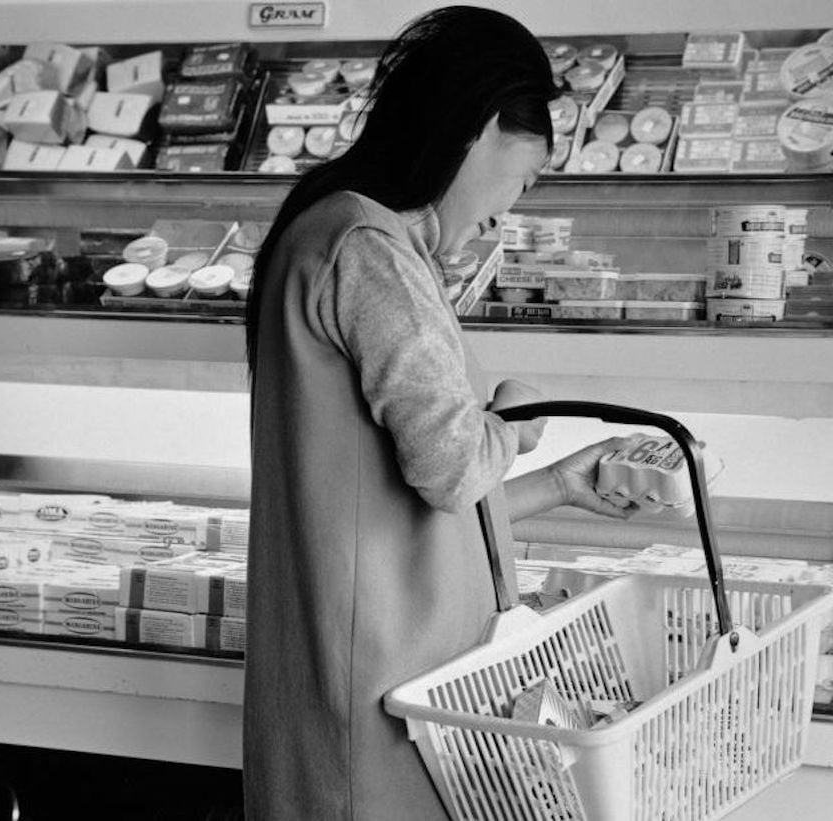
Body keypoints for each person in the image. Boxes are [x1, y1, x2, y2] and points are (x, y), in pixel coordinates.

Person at [244, 7, 636, 819]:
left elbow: (398, 515)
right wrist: (517, 424)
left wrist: (559, 481)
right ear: (487, 125)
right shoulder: (370, 250)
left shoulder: (346, 236)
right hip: (380, 714)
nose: (505, 214)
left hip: (385, 696)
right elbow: (452, 468)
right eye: (524, 182)